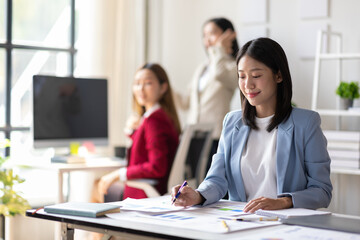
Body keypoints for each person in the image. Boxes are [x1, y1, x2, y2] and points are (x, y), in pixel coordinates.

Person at [171, 38, 333, 212]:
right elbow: (217, 179)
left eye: (256, 76)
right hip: (243, 222)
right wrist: (197, 195)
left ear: (278, 75)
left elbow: (322, 190)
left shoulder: (306, 123)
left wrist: (284, 202)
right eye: (242, 76)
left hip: (286, 225)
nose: (248, 85)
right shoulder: (232, 122)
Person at [92, 63, 181, 202]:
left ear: (163, 87)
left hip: (144, 196)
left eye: (148, 83)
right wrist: (132, 132)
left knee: (98, 185)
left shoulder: (154, 120)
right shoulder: (160, 117)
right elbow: (150, 147)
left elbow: (157, 166)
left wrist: (119, 174)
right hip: (150, 189)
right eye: (137, 83)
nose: (140, 89)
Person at [174, 17, 239, 175]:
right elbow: (185, 103)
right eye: (204, 35)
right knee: (194, 184)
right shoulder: (202, 68)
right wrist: (163, 87)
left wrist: (219, 50)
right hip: (193, 135)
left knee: (210, 183)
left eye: (212, 33)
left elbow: (220, 74)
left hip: (215, 136)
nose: (207, 39)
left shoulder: (233, 65)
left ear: (228, 34)